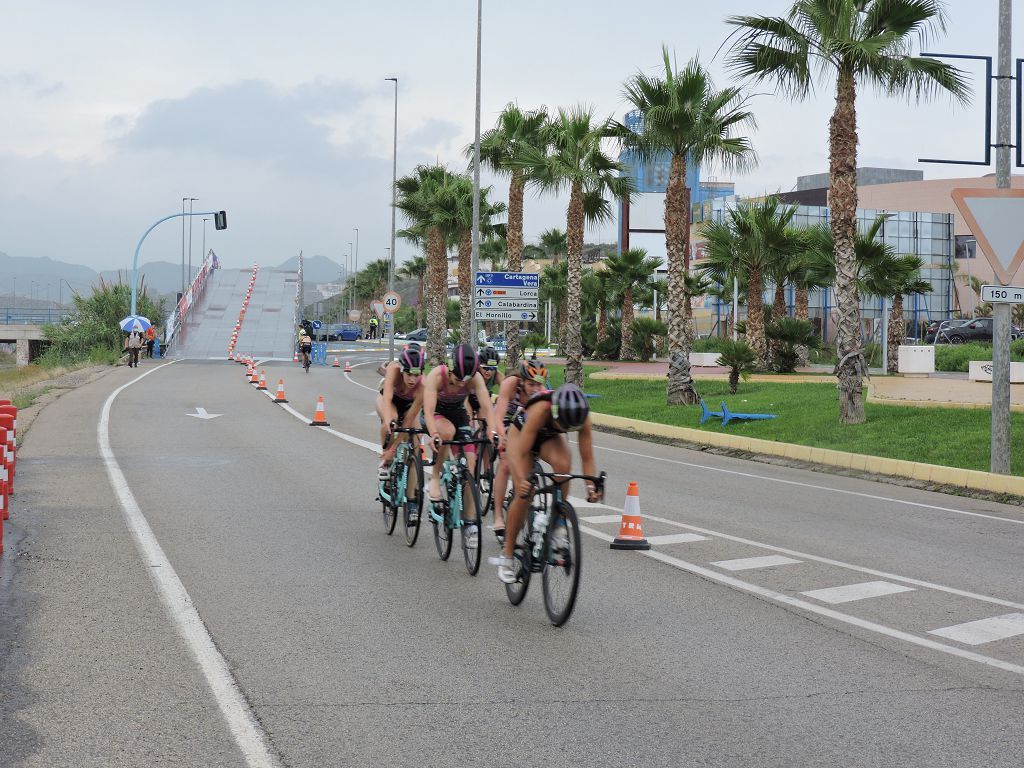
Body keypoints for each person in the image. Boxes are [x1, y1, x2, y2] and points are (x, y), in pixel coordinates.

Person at [497, 383, 602, 584]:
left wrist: (591, 486)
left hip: (548, 435)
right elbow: (520, 453)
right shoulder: (540, 410)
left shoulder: (583, 417)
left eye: (570, 428)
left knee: (564, 463)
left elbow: (587, 458)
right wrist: (521, 480)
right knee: (525, 492)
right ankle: (507, 555)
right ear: (555, 413)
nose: (567, 430)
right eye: (564, 426)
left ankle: (558, 521)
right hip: (522, 436)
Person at [422, 345, 504, 547]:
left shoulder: (474, 378)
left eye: (465, 380)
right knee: (447, 432)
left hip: (458, 413)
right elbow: (429, 409)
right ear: (449, 368)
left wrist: (493, 432)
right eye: (457, 379)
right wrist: (433, 434)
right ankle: (434, 477)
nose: (461, 384)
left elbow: (487, 407)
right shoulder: (436, 375)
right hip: (436, 414)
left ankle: (469, 523)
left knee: (470, 462)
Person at [489, 358, 549, 541]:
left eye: (539, 385)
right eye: (531, 384)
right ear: (522, 381)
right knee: (506, 461)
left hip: (527, 422)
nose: (535, 389)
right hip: (508, 418)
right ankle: (498, 515)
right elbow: (498, 417)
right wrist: (501, 436)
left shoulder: (542, 392)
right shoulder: (510, 384)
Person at [376, 346, 425, 480]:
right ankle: (385, 461)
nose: (412, 380)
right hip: (389, 401)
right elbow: (387, 399)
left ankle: (412, 495)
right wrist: (388, 421)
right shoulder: (394, 369)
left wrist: (395, 447)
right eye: (409, 374)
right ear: (402, 370)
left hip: (408, 406)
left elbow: (409, 420)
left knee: (416, 436)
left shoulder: (423, 385)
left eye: (416, 375)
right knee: (392, 421)